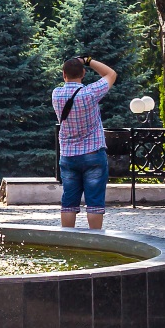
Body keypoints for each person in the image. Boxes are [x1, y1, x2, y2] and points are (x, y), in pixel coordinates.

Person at [51, 55, 118, 230]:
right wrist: (87, 60)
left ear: (63, 74)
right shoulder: (90, 93)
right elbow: (111, 74)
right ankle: (94, 242)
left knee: (69, 202)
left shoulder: (56, 94)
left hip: (68, 155)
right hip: (93, 153)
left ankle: (68, 240)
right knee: (94, 201)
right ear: (83, 73)